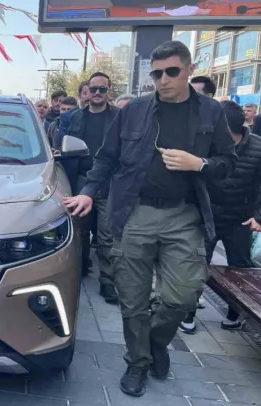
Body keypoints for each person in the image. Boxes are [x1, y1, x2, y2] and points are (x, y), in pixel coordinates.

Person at [62, 41, 236, 397]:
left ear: (189, 69)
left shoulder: (210, 112)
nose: (163, 80)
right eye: (157, 74)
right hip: (135, 212)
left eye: (172, 71)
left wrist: (199, 164)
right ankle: (138, 361)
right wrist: (88, 191)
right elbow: (107, 157)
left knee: (182, 297)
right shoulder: (135, 111)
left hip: (184, 215)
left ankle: (155, 342)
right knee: (132, 298)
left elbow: (228, 163)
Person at [179, 101, 261, 334]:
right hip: (207, 215)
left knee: (239, 268)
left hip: (240, 219)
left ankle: (234, 315)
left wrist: (258, 216)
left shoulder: (257, 147)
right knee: (197, 264)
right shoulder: (205, 144)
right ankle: (187, 314)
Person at [65, 72, 120, 303]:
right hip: (81, 181)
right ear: (87, 91)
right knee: (80, 232)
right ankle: (80, 270)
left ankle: (107, 281)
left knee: (107, 235)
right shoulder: (74, 117)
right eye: (94, 89)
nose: (97, 93)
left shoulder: (119, 117)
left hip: (109, 182)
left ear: (109, 91)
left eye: (102, 89)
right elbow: (63, 146)